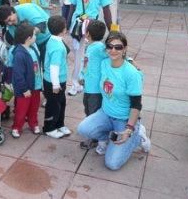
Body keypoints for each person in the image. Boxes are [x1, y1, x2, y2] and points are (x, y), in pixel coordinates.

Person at [77, 31, 151, 170]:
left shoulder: (131, 73)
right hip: (105, 113)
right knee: (83, 129)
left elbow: (136, 105)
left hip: (124, 119)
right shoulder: (104, 63)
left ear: (125, 49)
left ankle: (137, 136)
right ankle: (111, 136)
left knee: (112, 164)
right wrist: (82, 77)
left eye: (118, 47)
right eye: (110, 46)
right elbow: (88, 61)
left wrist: (129, 129)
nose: (113, 50)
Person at [66, 0, 113, 96]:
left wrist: (112, 29)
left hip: (92, 26)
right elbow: (72, 8)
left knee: (93, 55)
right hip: (78, 26)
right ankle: (75, 84)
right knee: (78, 55)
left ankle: (92, 83)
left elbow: (106, 10)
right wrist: (67, 24)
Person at [78, 20, 108, 149]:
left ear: (88, 33)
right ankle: (93, 133)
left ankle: (95, 138)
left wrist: (129, 60)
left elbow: (114, 54)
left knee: (93, 114)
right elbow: (85, 63)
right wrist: (81, 75)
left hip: (95, 90)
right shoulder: (90, 47)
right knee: (88, 110)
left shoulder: (100, 48)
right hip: (88, 88)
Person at [11, 22, 41, 138]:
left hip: (36, 86)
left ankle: (33, 124)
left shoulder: (32, 48)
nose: (35, 37)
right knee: (21, 110)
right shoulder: (19, 54)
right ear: (28, 38)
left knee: (34, 107)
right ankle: (17, 127)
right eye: (34, 35)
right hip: (25, 89)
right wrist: (24, 89)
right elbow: (18, 74)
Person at [42, 15, 70, 139]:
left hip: (57, 81)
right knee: (53, 105)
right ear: (64, 29)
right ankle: (49, 128)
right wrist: (56, 84)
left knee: (61, 103)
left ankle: (59, 124)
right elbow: (54, 67)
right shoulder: (58, 47)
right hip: (54, 82)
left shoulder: (52, 40)